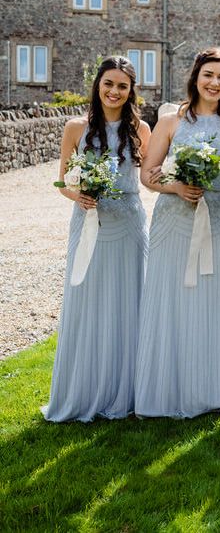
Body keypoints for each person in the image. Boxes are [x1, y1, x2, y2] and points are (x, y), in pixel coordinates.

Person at [134, 48, 220, 418]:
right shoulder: (172, 120)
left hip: (219, 217)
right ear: (195, 77)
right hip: (175, 217)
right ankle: (169, 388)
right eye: (208, 75)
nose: (214, 83)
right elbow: (148, 175)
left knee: (215, 298)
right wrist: (177, 187)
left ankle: (215, 389)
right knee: (173, 296)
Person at [43, 56, 150, 422]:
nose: (114, 92)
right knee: (88, 298)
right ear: (98, 85)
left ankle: (130, 391)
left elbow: (151, 177)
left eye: (122, 86)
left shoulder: (141, 129)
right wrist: (79, 195)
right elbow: (62, 183)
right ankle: (85, 389)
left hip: (129, 223)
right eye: (109, 84)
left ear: (131, 90)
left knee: (129, 301)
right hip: (87, 220)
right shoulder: (76, 127)